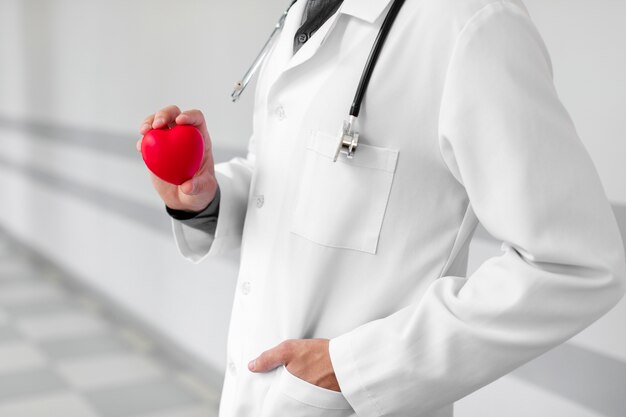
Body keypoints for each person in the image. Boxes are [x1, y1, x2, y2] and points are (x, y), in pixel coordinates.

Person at [137, 0, 626, 416]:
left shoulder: (467, 23)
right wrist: (206, 199)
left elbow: (575, 264)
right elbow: (289, 181)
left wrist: (354, 367)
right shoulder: (303, 12)